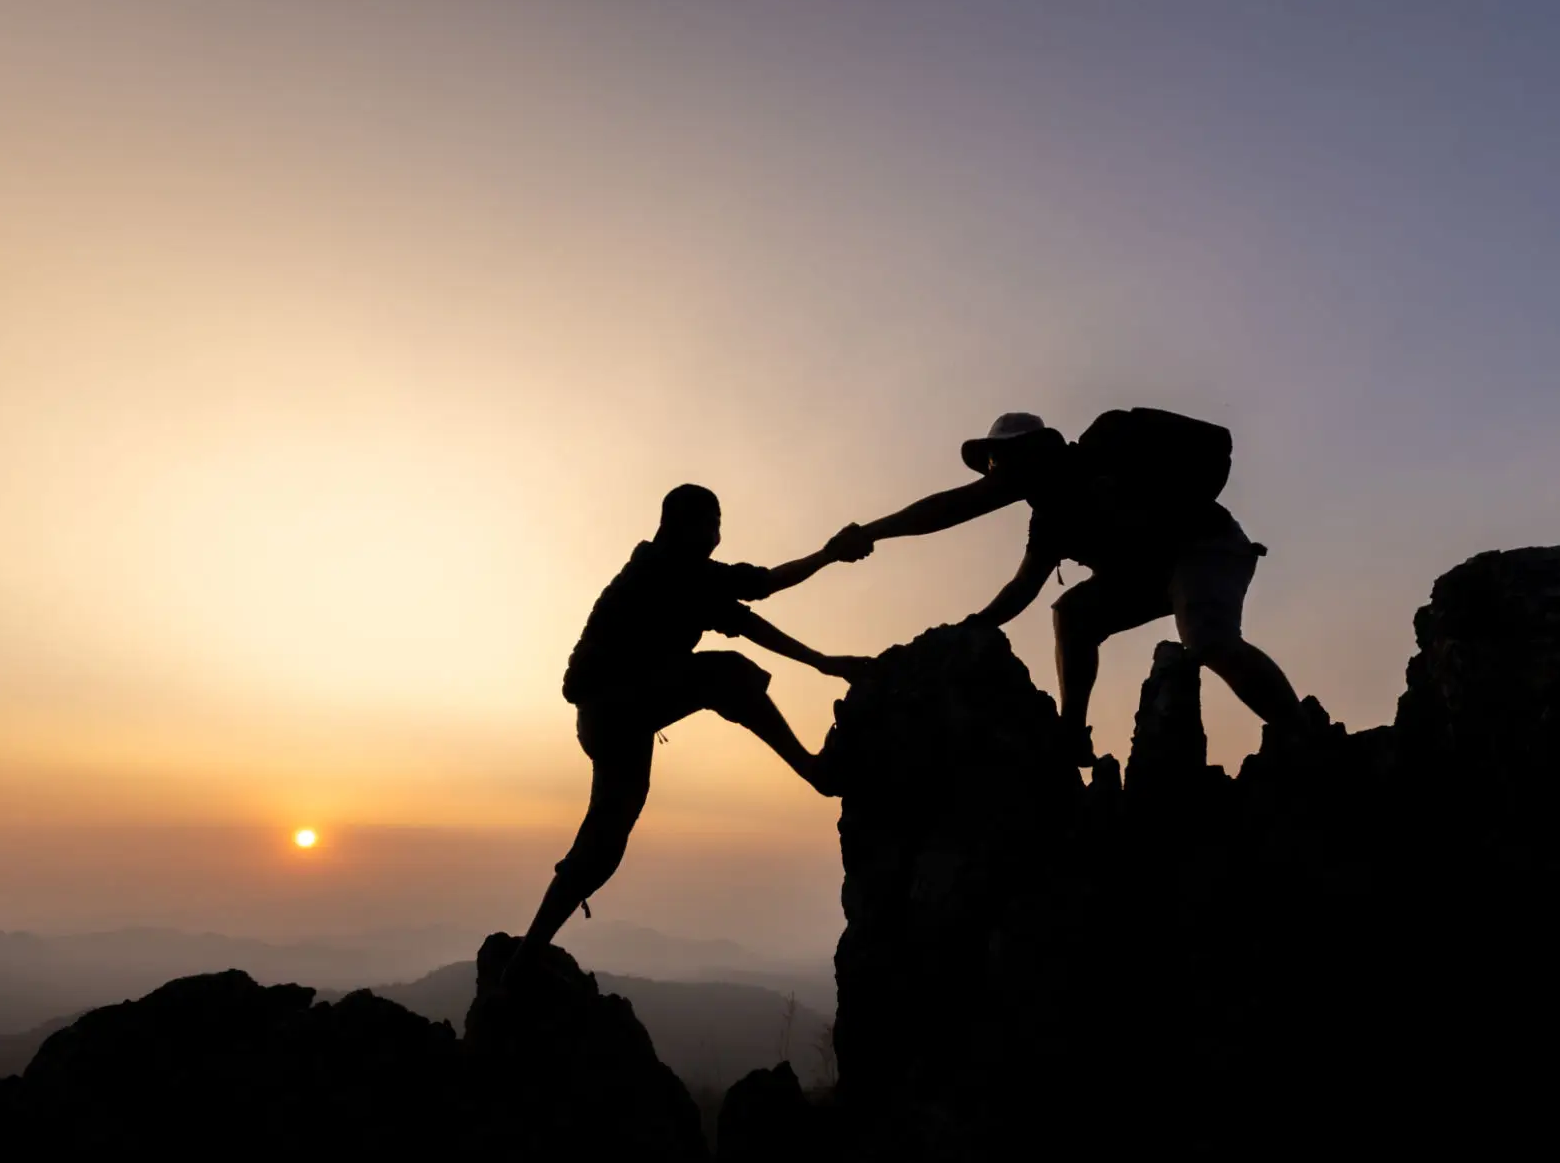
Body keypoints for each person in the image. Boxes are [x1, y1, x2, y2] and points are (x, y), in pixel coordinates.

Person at [504, 484, 869, 983]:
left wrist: (823, 661)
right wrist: (829, 561)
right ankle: (816, 771)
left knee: (604, 843)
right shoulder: (670, 572)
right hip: (618, 708)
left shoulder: (675, 574)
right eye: (712, 522)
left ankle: (525, 958)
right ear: (682, 524)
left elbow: (747, 613)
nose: (718, 535)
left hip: (609, 719)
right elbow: (762, 588)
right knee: (728, 674)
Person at [827, 410, 1310, 765]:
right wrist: (977, 625)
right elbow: (1023, 587)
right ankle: (1072, 733)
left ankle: (1301, 732)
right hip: (1147, 577)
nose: (994, 474)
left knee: (1209, 640)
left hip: (1206, 548)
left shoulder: (1102, 448)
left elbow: (955, 506)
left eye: (999, 461)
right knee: (1073, 613)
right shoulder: (1049, 522)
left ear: (1030, 452)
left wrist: (871, 531)